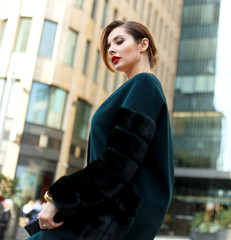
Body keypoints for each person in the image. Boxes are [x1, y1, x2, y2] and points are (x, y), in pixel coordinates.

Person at [27, 20, 174, 240]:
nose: (111, 49)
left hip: (116, 217)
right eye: (108, 46)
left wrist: (59, 198)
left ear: (143, 45)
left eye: (119, 41)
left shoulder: (144, 85)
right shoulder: (134, 89)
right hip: (108, 213)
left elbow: (116, 164)